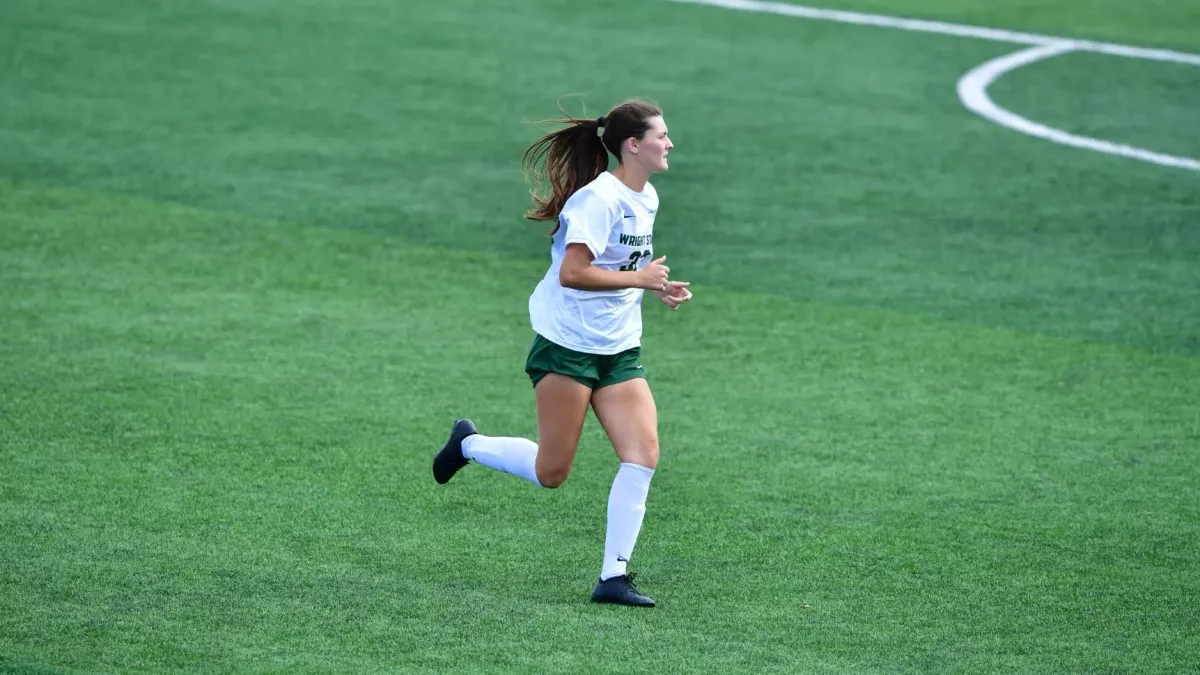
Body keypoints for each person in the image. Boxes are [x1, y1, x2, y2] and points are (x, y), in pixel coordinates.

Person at [432, 98, 691, 608]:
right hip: (567, 346)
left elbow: (622, 266)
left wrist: (655, 286)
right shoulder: (598, 201)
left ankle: (613, 577)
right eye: (661, 135)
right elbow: (573, 273)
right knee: (551, 472)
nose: (670, 143)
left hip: (618, 348)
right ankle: (468, 444)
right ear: (632, 145)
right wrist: (639, 278)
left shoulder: (647, 196)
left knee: (642, 456)